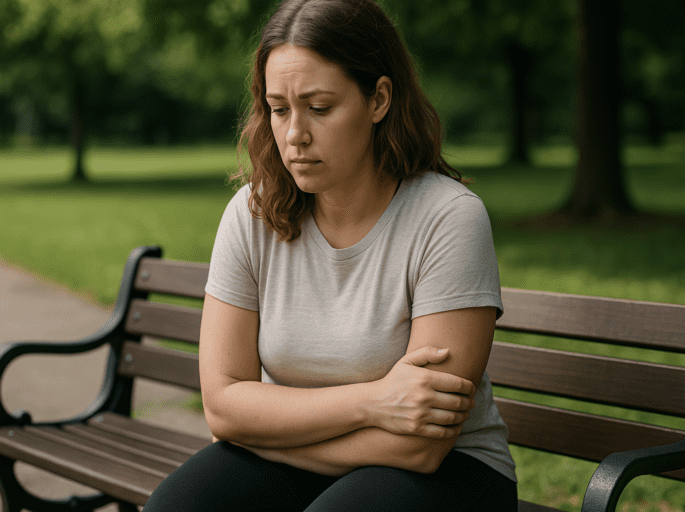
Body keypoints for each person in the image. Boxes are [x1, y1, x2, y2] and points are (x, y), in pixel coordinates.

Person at [142, 0, 518, 510]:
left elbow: (423, 443)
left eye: (319, 108)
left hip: (452, 473)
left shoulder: (447, 219)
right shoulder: (251, 214)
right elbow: (224, 405)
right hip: (312, 456)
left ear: (379, 99)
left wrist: (264, 431)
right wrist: (374, 401)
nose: (294, 134)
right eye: (278, 109)